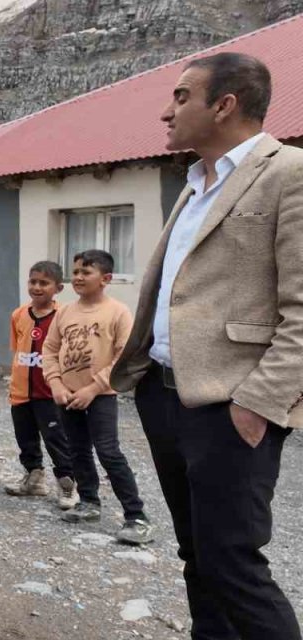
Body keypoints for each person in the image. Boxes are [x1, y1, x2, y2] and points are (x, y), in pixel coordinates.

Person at [111, 52, 302, 639]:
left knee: (234, 564)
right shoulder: (195, 183)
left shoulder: (288, 172)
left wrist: (257, 404)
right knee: (198, 557)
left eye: (181, 97)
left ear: (224, 106)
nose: (166, 112)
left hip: (229, 405)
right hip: (165, 396)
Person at [42, 250, 152, 544]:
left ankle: (136, 516)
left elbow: (123, 356)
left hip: (101, 395)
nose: (78, 277)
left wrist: (94, 388)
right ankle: (89, 502)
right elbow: (50, 350)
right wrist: (56, 384)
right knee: (77, 450)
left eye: (85, 272)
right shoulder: (64, 311)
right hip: (68, 395)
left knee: (108, 452)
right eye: (75, 271)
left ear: (105, 279)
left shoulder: (117, 312)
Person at [4, 261, 76, 509]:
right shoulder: (19, 314)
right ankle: (34, 478)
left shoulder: (64, 317)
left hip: (49, 393)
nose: (37, 287)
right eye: (33, 281)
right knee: (25, 438)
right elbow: (18, 351)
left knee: (56, 438)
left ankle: (67, 484)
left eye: (44, 283)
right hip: (21, 391)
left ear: (58, 287)